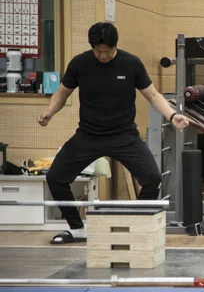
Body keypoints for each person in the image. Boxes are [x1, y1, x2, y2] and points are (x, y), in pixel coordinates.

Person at [37, 22, 189, 244]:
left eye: (107, 51)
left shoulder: (131, 63)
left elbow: (153, 95)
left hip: (124, 136)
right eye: (98, 51)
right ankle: (77, 228)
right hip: (88, 135)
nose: (103, 56)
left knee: (152, 179)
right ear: (92, 48)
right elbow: (62, 93)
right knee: (55, 178)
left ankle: (136, 227)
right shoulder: (80, 63)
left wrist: (172, 115)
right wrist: (49, 112)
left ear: (115, 46)